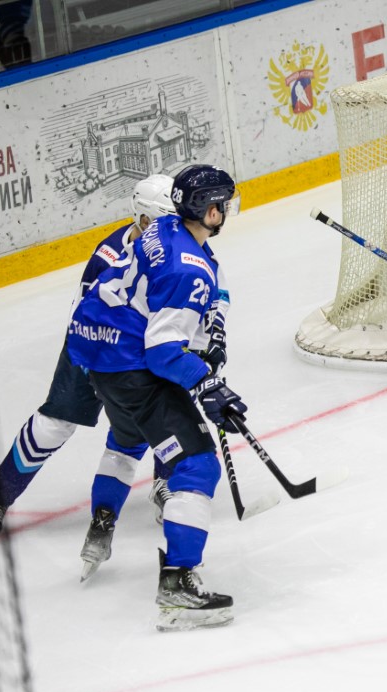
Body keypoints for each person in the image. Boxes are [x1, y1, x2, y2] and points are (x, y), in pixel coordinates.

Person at [66, 164, 245, 631]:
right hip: (132, 367)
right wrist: (206, 383)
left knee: (127, 439)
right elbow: (164, 352)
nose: (227, 211)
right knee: (196, 464)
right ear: (207, 210)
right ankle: (178, 584)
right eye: (223, 204)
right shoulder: (190, 270)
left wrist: (207, 335)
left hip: (98, 358)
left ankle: (101, 523)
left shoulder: (161, 227)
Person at [0, 174, 183, 548]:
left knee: (172, 406)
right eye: (168, 219)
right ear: (145, 219)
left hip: (142, 346)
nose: (177, 226)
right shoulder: (108, 256)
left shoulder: (176, 247)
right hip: (93, 345)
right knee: (55, 423)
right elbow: (84, 315)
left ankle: (165, 482)